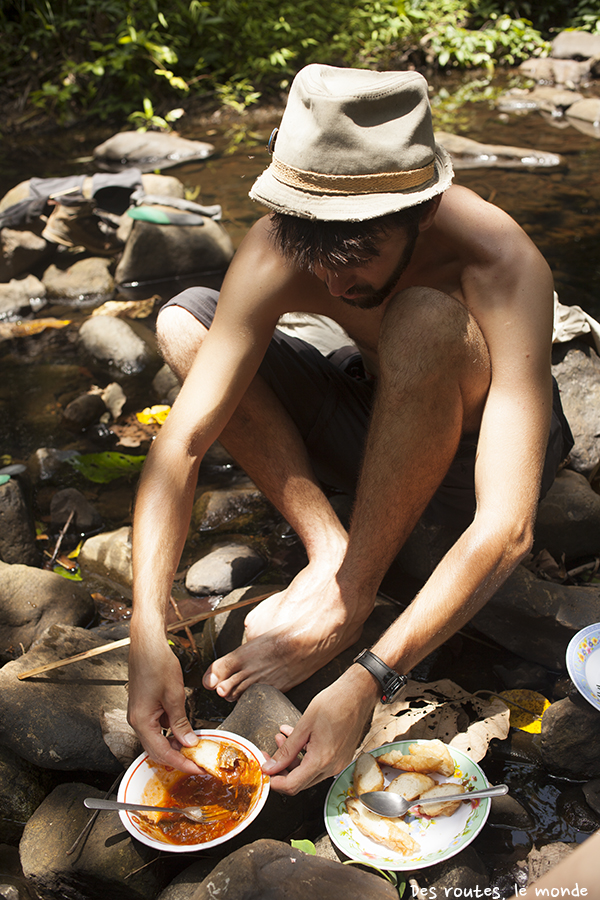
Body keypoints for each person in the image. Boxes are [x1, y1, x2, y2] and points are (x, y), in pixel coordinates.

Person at [127, 64, 573, 793]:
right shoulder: (283, 241)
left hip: (471, 453)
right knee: (185, 322)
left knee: (423, 318)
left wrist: (371, 676)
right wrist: (147, 627)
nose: (332, 287)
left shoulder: (501, 261)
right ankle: (330, 544)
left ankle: (352, 593)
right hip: (378, 414)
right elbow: (182, 442)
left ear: (423, 213)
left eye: (359, 257)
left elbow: (508, 524)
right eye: (313, 258)